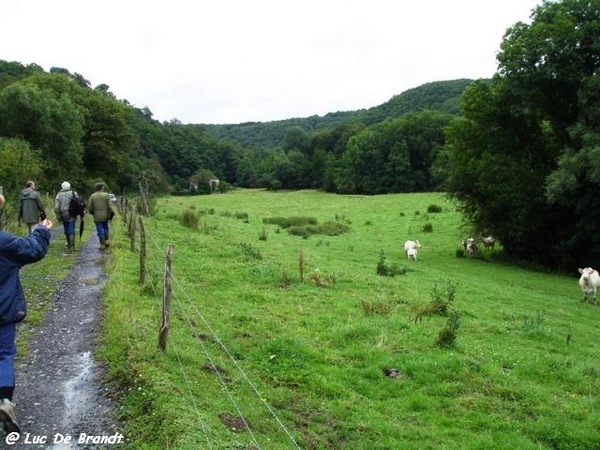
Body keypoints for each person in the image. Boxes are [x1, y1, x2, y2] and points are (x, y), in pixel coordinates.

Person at [0, 194, 52, 433]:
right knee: (4, 354)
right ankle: (4, 402)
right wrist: (41, 231)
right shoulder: (4, 242)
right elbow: (33, 250)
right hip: (3, 311)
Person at [54, 181, 81, 254]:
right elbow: (78, 203)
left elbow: (56, 208)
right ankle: (72, 247)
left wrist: (58, 217)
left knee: (66, 229)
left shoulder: (59, 195)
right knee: (71, 229)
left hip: (63, 214)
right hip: (72, 213)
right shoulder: (74, 193)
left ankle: (69, 245)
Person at [88, 182, 115, 250]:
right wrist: (112, 212)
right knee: (105, 227)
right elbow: (110, 205)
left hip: (97, 216)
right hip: (105, 215)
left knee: (99, 230)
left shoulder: (92, 196)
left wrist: (92, 213)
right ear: (101, 188)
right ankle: (106, 240)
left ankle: (102, 244)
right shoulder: (106, 195)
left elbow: (90, 207)